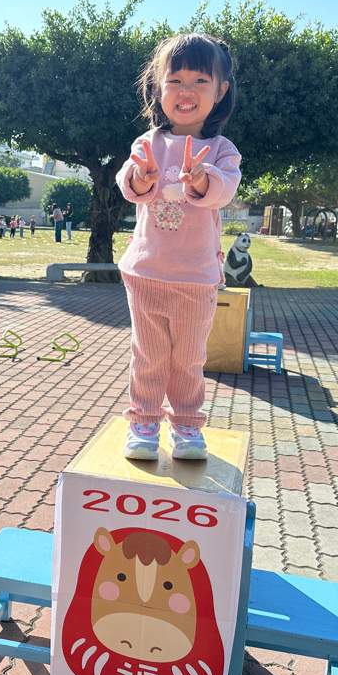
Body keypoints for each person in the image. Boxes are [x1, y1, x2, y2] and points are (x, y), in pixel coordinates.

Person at [115, 32, 240, 461]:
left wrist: (202, 179)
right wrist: (141, 178)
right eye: (175, 81)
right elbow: (129, 183)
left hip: (195, 278)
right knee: (148, 356)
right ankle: (144, 421)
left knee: (188, 359)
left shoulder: (222, 150)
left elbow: (224, 191)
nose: (187, 91)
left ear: (220, 91)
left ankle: (187, 425)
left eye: (200, 81)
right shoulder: (147, 143)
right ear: (157, 87)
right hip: (147, 273)